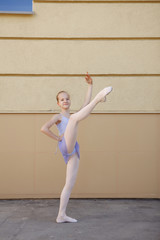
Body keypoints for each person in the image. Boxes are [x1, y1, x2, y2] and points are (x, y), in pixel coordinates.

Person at [40, 72, 113, 223]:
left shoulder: (73, 115)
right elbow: (44, 128)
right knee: (74, 118)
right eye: (62, 99)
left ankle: (61, 215)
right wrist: (57, 137)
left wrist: (90, 85)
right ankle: (99, 99)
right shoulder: (59, 117)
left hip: (74, 149)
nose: (65, 101)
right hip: (65, 145)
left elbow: (85, 104)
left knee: (69, 184)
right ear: (58, 103)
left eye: (67, 99)